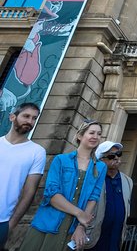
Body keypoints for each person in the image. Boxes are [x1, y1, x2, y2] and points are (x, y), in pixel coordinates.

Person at [21, 119, 106, 251]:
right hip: (48, 224)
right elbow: (52, 195)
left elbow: (93, 197)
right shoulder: (61, 160)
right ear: (79, 135)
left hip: (73, 229)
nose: (95, 137)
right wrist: (80, 214)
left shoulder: (100, 167)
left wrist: (81, 226)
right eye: (91, 133)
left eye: (99, 134)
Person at [0, 102, 46, 249]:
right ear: (12, 117)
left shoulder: (37, 152)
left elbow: (29, 191)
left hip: (3, 221)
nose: (30, 121)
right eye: (26, 116)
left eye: (34, 118)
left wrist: (11, 224)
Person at [88, 141, 134, 251]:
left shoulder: (128, 181)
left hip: (115, 240)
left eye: (118, 154)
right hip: (93, 239)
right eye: (111, 156)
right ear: (101, 159)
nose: (116, 158)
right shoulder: (93, 177)